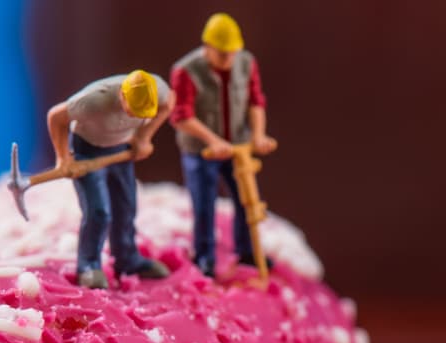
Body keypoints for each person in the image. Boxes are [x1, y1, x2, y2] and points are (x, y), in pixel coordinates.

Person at [170, 12, 277, 278]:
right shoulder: (186, 70)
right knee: (204, 204)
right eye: (222, 54)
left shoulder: (246, 62)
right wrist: (213, 141)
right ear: (207, 47)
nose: (229, 59)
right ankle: (204, 256)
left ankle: (247, 250)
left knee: (246, 199)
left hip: (237, 145)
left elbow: (255, 101)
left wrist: (259, 135)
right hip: (200, 150)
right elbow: (181, 116)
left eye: (232, 52)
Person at [46, 70, 173, 289]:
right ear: (122, 97)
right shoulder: (93, 100)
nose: (136, 117)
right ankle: (88, 266)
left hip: (122, 148)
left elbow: (169, 103)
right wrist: (63, 158)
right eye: (133, 110)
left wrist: (144, 136)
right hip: (89, 150)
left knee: (126, 205)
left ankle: (128, 260)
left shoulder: (158, 89)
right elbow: (56, 117)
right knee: (99, 212)